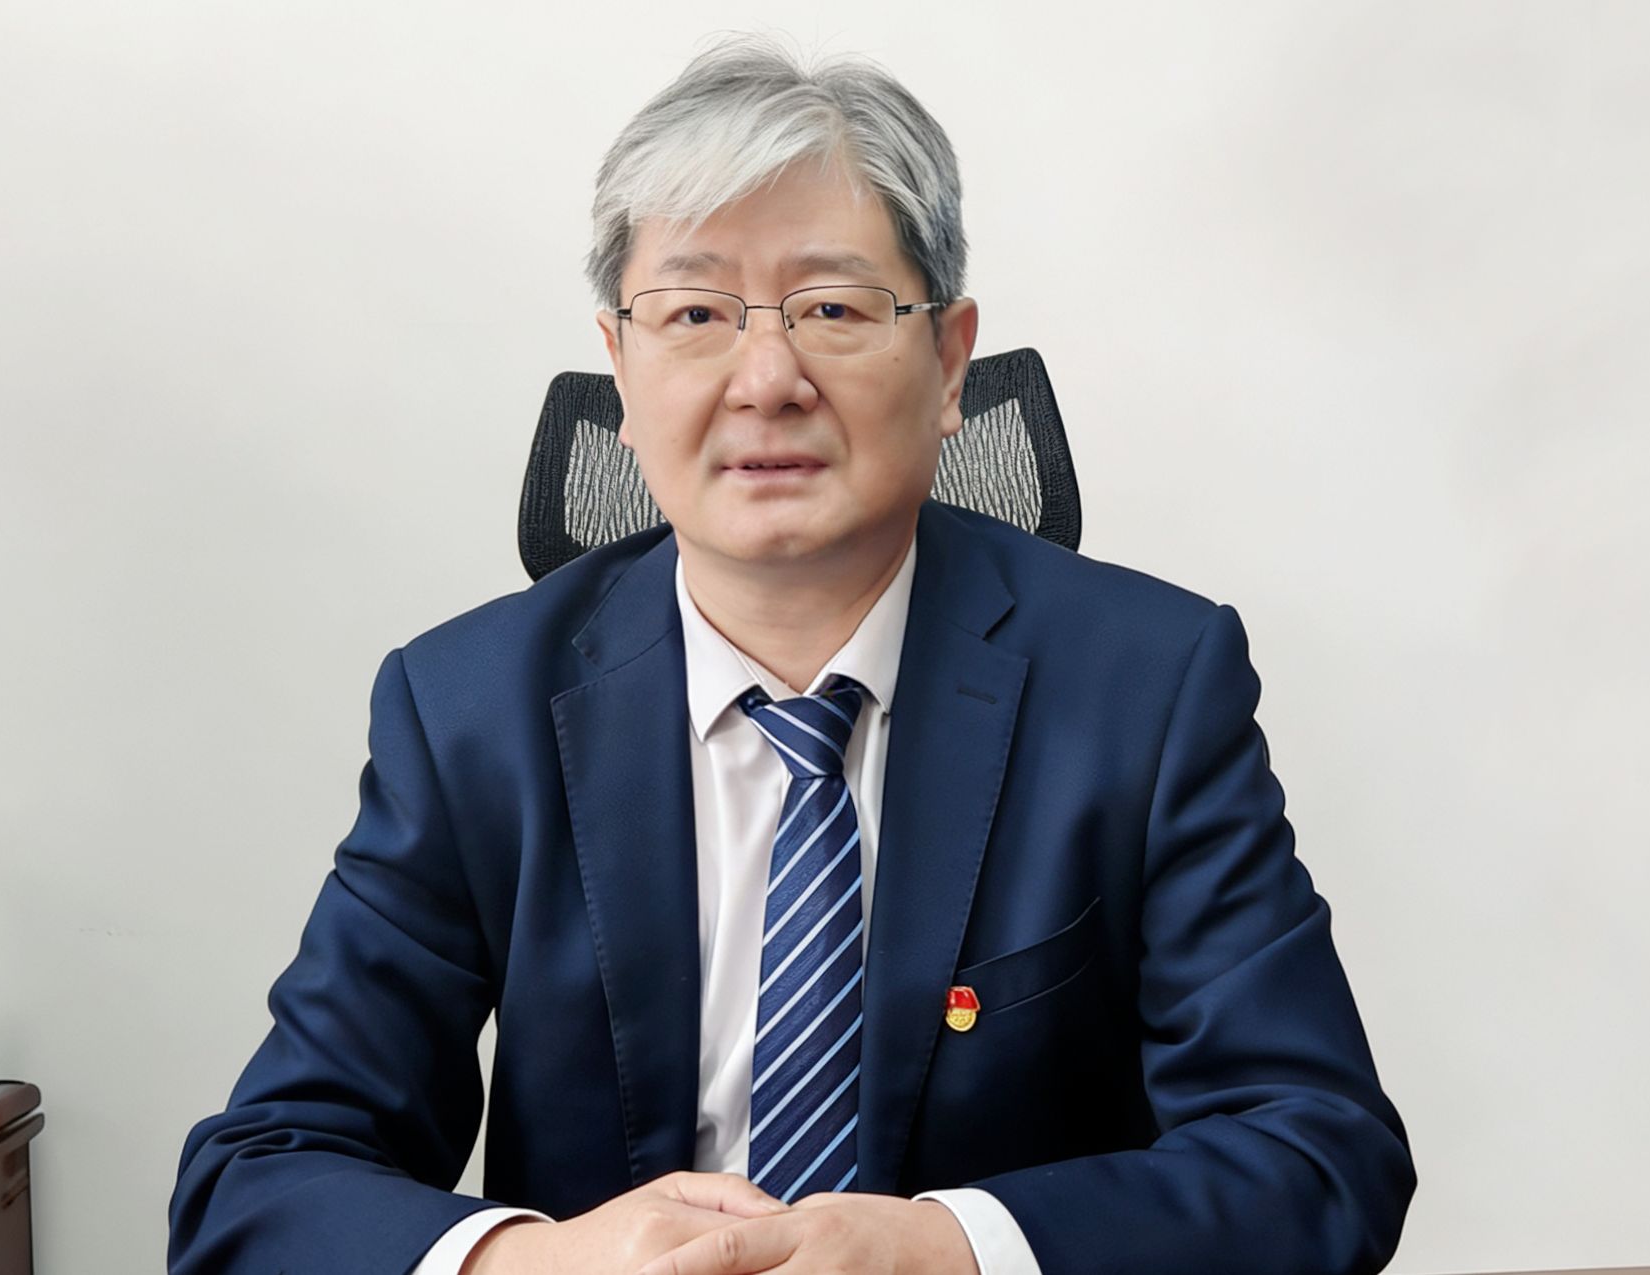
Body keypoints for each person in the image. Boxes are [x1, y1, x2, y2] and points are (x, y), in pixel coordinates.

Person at [169, 34, 1414, 1275]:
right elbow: (256, 1184)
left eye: (832, 309)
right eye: (694, 315)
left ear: (950, 362)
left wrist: (954, 1249)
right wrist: (534, 1266)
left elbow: (1317, 1152)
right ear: (619, 368)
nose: (766, 379)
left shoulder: (1147, 686)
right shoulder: (467, 712)